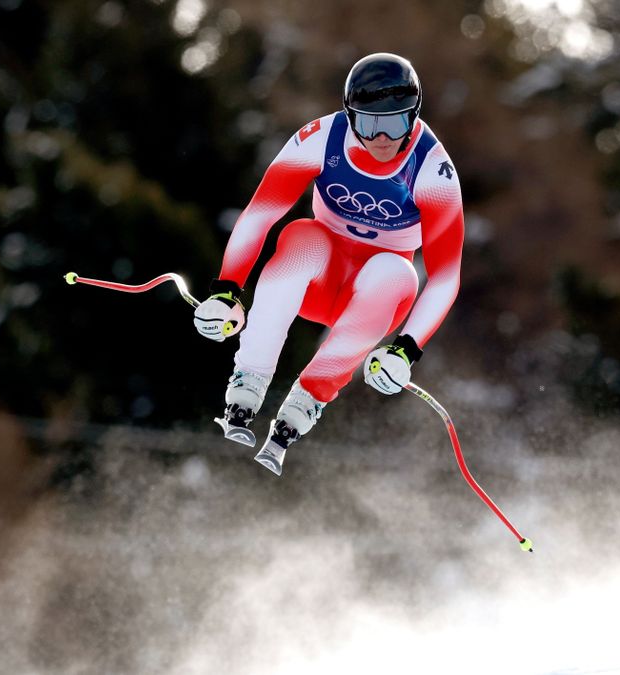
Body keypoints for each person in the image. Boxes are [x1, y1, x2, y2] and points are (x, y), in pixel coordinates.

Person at [192, 52, 465, 476]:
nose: (382, 138)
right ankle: (248, 380)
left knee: (397, 274)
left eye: (396, 122)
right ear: (347, 114)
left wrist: (406, 349)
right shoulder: (320, 138)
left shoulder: (432, 169)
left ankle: (309, 399)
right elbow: (261, 213)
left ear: (414, 115)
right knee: (303, 235)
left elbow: (446, 276)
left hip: (372, 296)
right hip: (318, 276)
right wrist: (226, 289)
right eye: (369, 122)